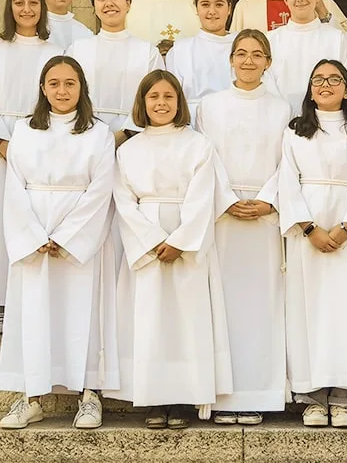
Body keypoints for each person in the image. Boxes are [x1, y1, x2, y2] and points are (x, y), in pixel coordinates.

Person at [0, 56, 119, 431]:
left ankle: (89, 394)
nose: (62, 91)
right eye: (54, 83)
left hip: (80, 233)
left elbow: (101, 189)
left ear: (82, 88)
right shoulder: (23, 131)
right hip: (33, 231)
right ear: (42, 88)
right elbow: (14, 187)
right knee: (33, 312)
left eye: (70, 83)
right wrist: (34, 236)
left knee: (84, 311)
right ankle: (31, 396)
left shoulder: (98, 133)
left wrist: (67, 236)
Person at [108, 70, 232, 430]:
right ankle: (154, 397)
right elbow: (124, 200)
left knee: (185, 320)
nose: (161, 104)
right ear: (142, 103)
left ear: (179, 102)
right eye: (153, 97)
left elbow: (202, 194)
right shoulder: (129, 149)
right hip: (145, 243)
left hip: (185, 244)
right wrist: (150, 239)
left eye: (168, 97)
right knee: (150, 321)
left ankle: (182, 397)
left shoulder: (197, 144)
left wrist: (179, 240)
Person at [196, 29, 292, 426]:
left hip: (265, 215)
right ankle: (223, 395)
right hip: (224, 216)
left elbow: (290, 158)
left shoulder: (282, 108)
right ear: (230, 60)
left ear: (268, 62)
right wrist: (225, 199)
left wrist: (270, 197)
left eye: (257, 55)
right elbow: (203, 155)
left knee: (263, 303)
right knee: (224, 304)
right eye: (241, 54)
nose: (249, 61)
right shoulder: (210, 106)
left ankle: (259, 392)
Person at [278, 60, 347, 428]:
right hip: (309, 231)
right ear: (309, 89)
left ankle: (346, 397)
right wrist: (309, 228)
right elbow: (287, 180)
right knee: (309, 310)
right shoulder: (295, 132)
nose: (326, 85)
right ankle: (313, 396)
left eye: (334, 79)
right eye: (318, 79)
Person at [0, 0, 65, 335]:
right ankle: (1, 305)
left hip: (41, 146)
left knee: (37, 221)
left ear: (42, 8)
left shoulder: (56, 52)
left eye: (33, 3)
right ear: (9, 8)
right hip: (0, 153)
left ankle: (38, 299)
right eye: (19, 2)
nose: (26, 9)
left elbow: (60, 95)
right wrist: (1, 142)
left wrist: (37, 143)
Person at [65, 0, 164, 146]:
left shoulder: (147, 52)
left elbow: (156, 97)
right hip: (85, 138)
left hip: (135, 139)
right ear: (94, 6)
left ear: (128, 3)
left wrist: (126, 133)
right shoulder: (77, 50)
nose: (109, 3)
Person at [266, 0, 347, 116]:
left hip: (325, 119)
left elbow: (345, 84)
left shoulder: (336, 38)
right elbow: (268, 86)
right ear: (285, 0)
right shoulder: (270, 40)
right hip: (281, 119)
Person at [165, 0, 236, 124]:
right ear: (196, 8)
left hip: (235, 119)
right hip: (193, 124)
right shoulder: (180, 50)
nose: (212, 11)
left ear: (229, 8)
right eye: (205, 5)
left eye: (219, 5)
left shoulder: (242, 46)